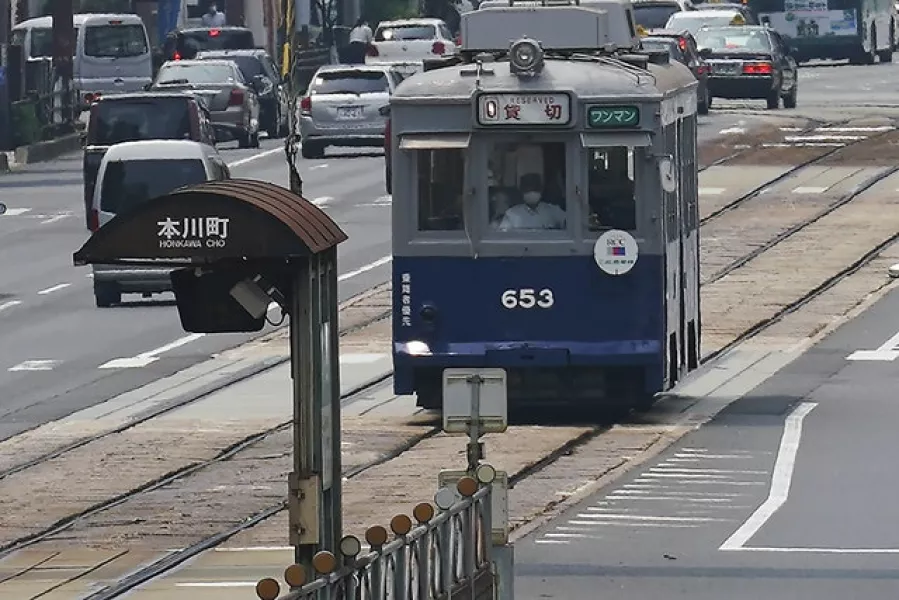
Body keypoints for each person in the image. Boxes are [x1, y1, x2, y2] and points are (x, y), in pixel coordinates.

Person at [497, 174, 566, 231]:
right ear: (521, 191)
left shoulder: (553, 211)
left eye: (535, 189)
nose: (532, 192)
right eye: (528, 189)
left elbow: (572, 226)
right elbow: (503, 237)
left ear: (541, 189)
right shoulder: (511, 214)